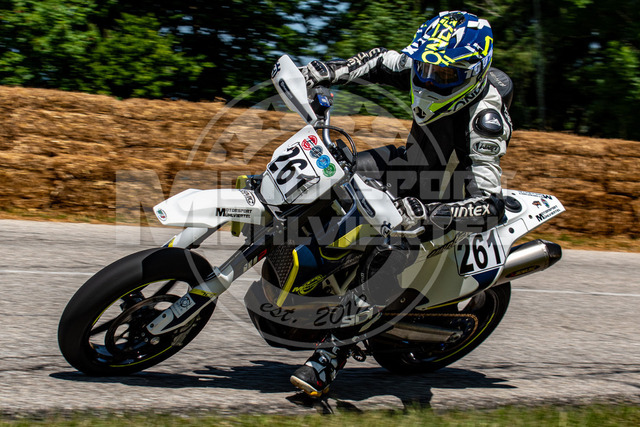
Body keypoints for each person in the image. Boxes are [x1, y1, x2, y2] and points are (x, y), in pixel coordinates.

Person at [289, 10, 513, 397]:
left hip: (445, 203)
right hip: (410, 164)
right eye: (426, 69)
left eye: (445, 75)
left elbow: (491, 206)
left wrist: (430, 214)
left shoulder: (485, 122)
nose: (429, 80)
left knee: (388, 256)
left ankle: (330, 355)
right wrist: (325, 70)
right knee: (325, 174)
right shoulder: (424, 63)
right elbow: (379, 59)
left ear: (475, 73)